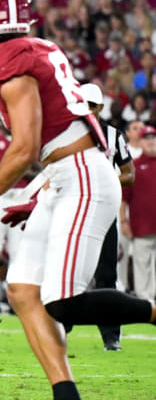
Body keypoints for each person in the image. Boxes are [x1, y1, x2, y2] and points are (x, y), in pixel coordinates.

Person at [0, 0, 156, 400]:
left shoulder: (9, 59)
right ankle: (64, 394)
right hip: (64, 175)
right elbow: (58, 138)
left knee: (63, 302)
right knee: (21, 291)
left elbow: (25, 148)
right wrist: (36, 196)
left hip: (81, 178)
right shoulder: (39, 47)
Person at [82, 83, 135, 351]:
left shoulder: (114, 135)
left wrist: (107, 180)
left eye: (91, 105)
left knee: (106, 275)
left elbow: (130, 173)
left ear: (100, 107)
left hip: (103, 211)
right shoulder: (65, 134)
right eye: (82, 104)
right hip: (74, 210)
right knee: (67, 275)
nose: (86, 110)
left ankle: (111, 335)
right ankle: (59, 331)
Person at [0, 126, 39, 313]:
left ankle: (13, 298)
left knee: (17, 251)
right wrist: (6, 175)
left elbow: (40, 172)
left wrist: (23, 173)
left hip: (20, 197)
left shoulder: (27, 138)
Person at [122, 125, 156, 302]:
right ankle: (146, 302)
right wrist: (123, 220)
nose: (151, 141)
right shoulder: (134, 166)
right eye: (147, 138)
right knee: (142, 264)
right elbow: (123, 198)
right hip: (141, 225)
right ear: (140, 142)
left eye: (153, 137)